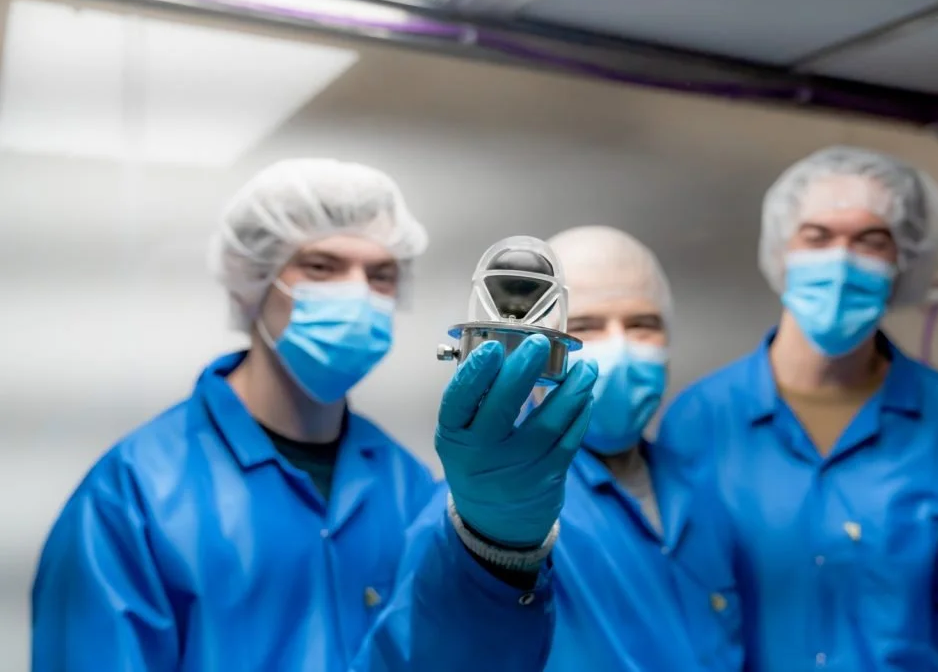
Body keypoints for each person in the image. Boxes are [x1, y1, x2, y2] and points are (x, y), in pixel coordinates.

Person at [31, 159, 597, 671]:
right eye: (322, 267)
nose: (357, 292)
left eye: (380, 275)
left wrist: (495, 548)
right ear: (253, 282)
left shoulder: (405, 485)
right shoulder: (132, 498)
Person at [660, 146, 938, 671]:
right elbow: (681, 612)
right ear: (781, 250)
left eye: (870, 240)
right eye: (818, 237)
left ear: (904, 261)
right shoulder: (699, 422)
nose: (841, 260)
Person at [540, 226, 742, 670]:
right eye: (585, 327)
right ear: (538, 350)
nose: (620, 348)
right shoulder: (498, 505)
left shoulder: (701, 491)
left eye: (641, 325)